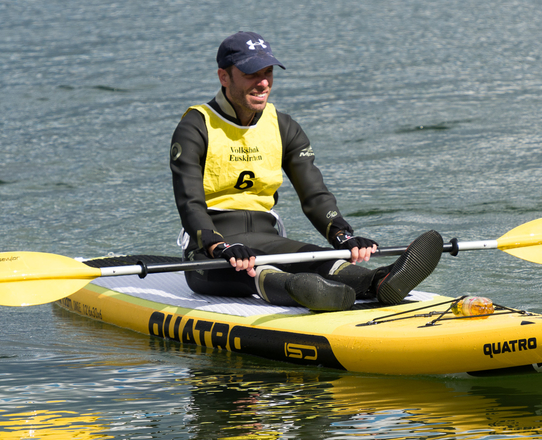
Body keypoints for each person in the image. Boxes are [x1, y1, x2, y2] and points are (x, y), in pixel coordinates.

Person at [169, 31, 443, 311]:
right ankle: (302, 290)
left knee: (325, 260)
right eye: (251, 74)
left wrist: (341, 234)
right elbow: (189, 200)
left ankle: (378, 282)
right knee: (257, 271)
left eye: (268, 72)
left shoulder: (284, 126)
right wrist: (216, 244)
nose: (263, 83)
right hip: (209, 253)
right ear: (224, 77)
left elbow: (314, 193)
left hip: (268, 239)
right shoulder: (196, 126)